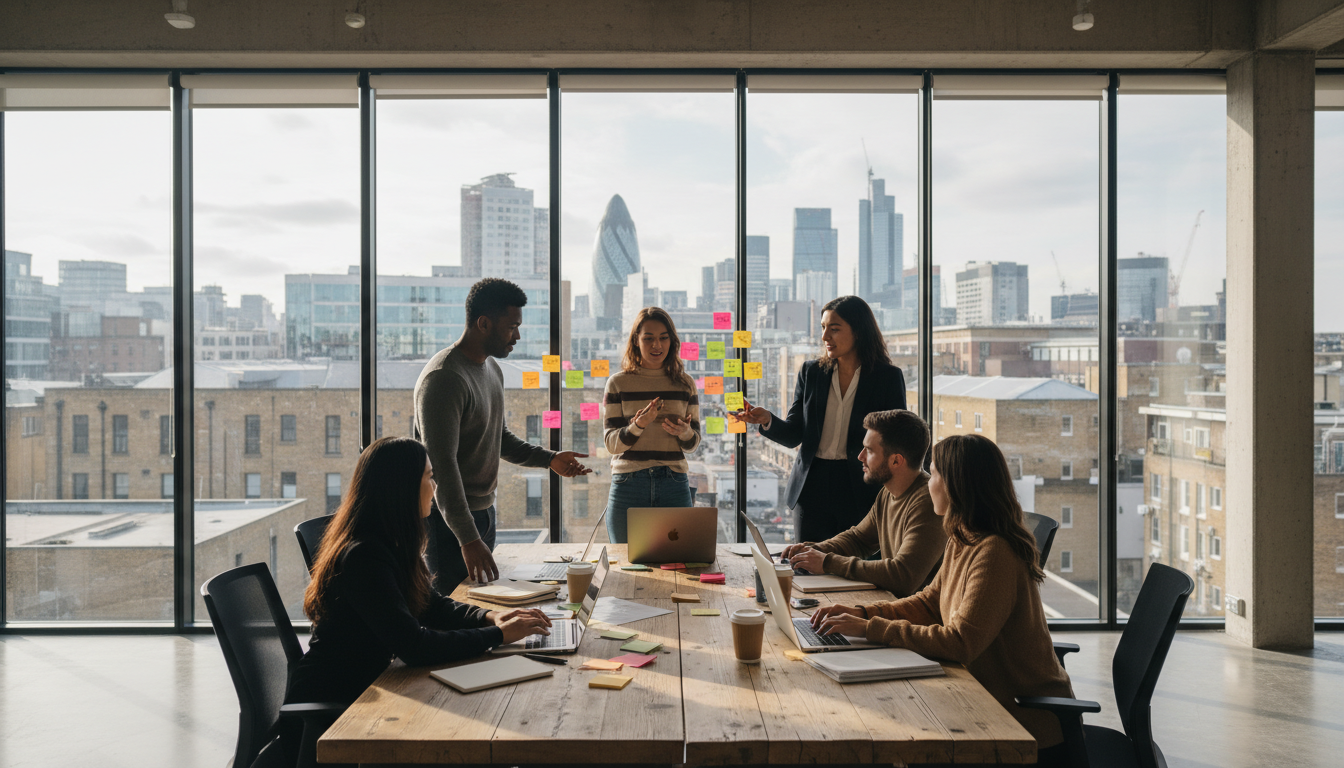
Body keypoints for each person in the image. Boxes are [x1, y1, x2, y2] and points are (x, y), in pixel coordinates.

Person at [280, 437, 553, 761]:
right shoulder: (364, 555)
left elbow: (431, 604)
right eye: (429, 476)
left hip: (376, 682)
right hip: (338, 706)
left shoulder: (390, 540)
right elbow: (415, 646)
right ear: (403, 487)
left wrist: (490, 617)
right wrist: (498, 636)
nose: (435, 486)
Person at [810, 434, 1075, 767]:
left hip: (1023, 724)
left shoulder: (994, 552)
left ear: (956, 485)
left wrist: (870, 628)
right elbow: (928, 604)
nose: (928, 483)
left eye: (933, 474)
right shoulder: (964, 535)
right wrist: (860, 613)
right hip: (982, 699)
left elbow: (960, 642)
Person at [415, 278, 591, 592]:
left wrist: (549, 459)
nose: (518, 335)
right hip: (449, 523)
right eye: (512, 326)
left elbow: (499, 436)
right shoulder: (444, 379)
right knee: (454, 611)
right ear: (483, 323)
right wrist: (468, 538)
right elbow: (442, 469)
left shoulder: (491, 369)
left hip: (483, 513)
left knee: (482, 604)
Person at [735, 295, 906, 543]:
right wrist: (767, 420)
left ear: (858, 331)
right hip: (812, 485)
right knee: (807, 563)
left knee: (853, 567)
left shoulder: (887, 377)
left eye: (834, 329)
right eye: (823, 328)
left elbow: (897, 437)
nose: (825, 336)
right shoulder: (811, 372)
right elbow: (795, 432)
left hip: (860, 485)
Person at [780, 409, 945, 596]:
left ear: (896, 461)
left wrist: (827, 562)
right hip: (891, 605)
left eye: (869, 450)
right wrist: (812, 551)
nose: (860, 456)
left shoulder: (928, 503)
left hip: (914, 618)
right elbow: (858, 539)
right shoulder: (888, 493)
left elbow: (903, 576)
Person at [602, 307, 702, 543]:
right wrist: (638, 425)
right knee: (625, 564)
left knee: (679, 562)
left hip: (673, 482)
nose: (657, 345)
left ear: (672, 341)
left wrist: (686, 432)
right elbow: (611, 444)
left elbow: (693, 444)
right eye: (648, 338)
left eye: (663, 338)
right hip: (628, 484)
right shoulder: (617, 383)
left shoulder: (685, 384)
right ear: (636, 342)